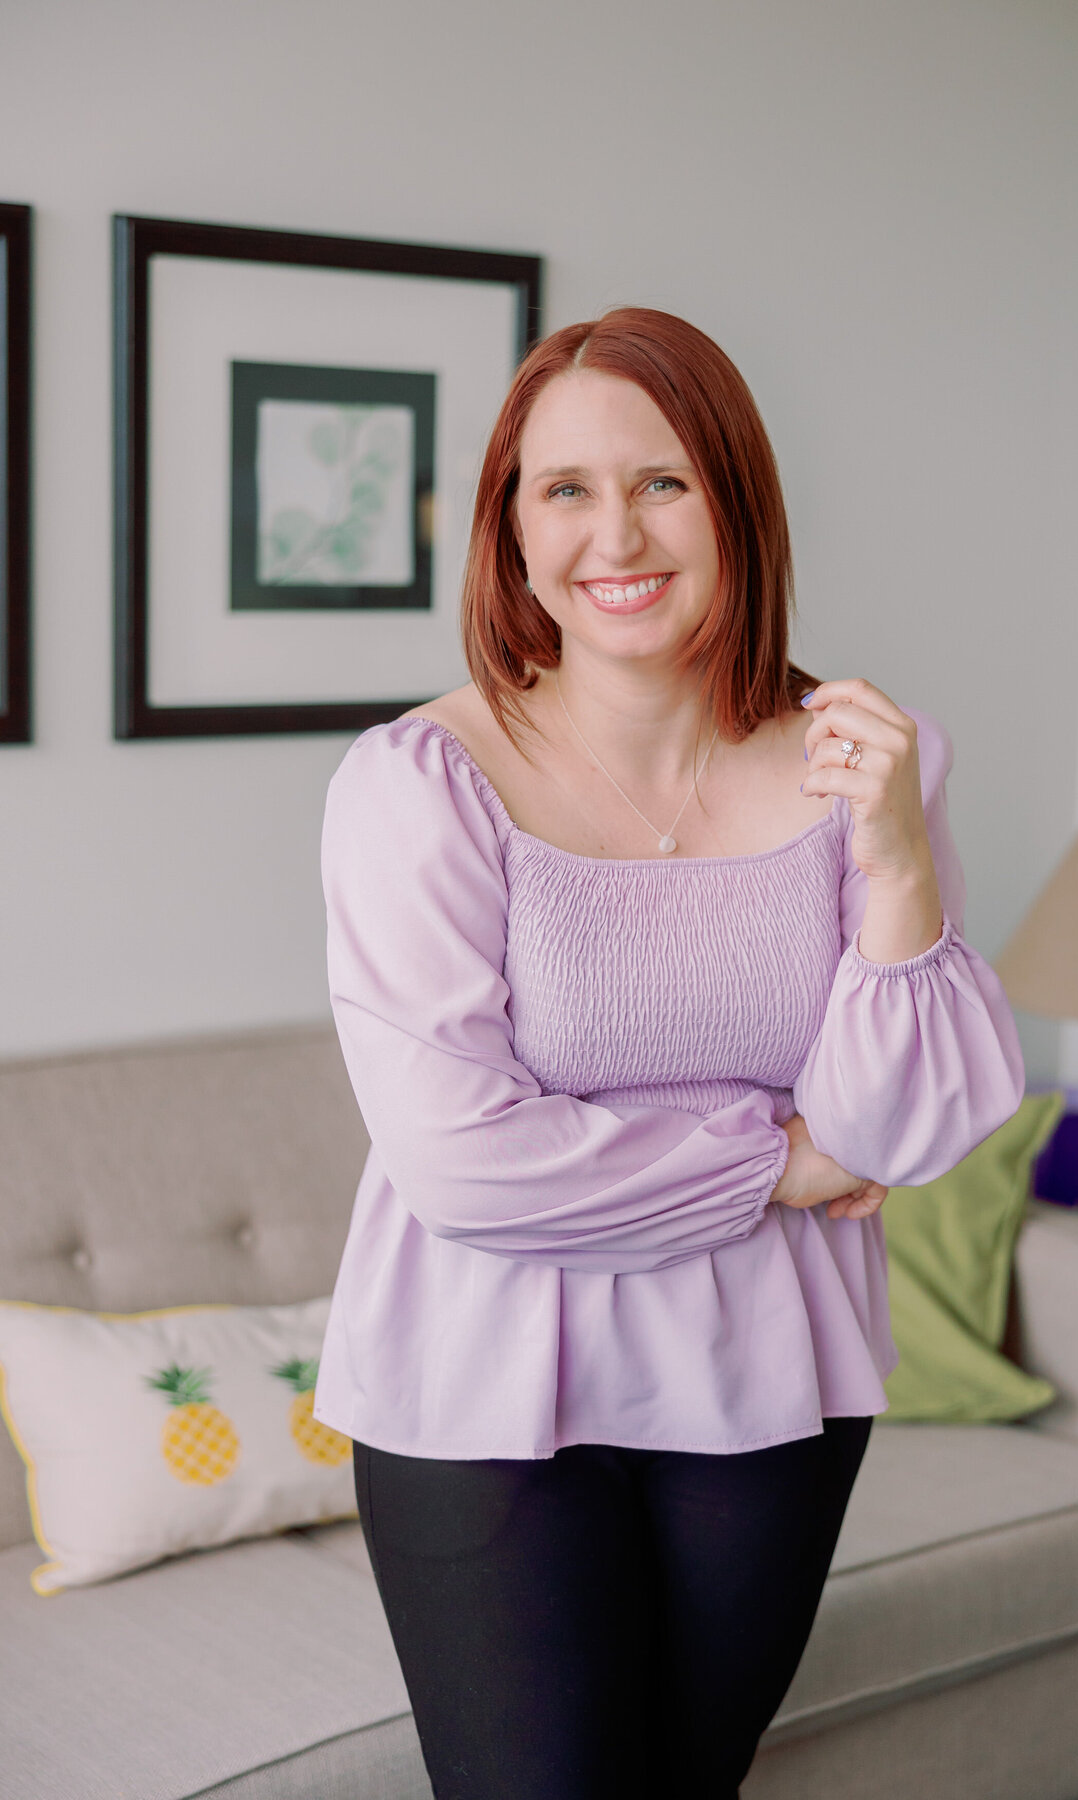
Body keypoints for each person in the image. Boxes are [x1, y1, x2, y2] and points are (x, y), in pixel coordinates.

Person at [313, 307, 1024, 1800]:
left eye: (664, 481)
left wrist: (892, 858)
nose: (614, 533)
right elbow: (461, 1162)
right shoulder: (418, 785)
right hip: (479, 1389)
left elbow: (896, 1127)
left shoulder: (867, 765)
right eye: (564, 489)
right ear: (510, 531)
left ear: (736, 504)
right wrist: (780, 1160)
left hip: (767, 1380)